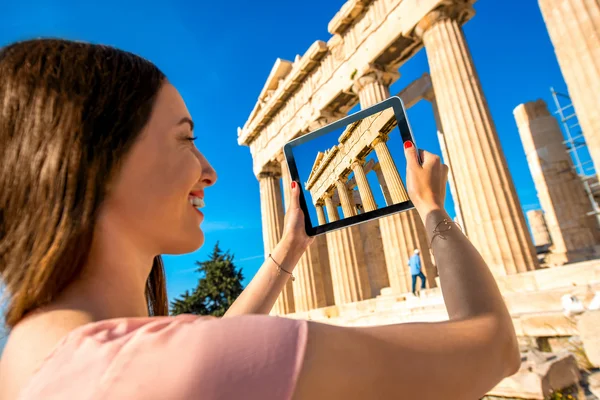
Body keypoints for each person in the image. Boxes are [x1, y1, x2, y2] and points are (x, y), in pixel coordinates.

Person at [0, 39, 520, 400]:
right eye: (185, 138)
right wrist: (431, 208)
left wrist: (288, 249)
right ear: (99, 161)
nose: (210, 172)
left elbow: (213, 353)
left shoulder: (32, 351)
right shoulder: (184, 369)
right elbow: (493, 345)